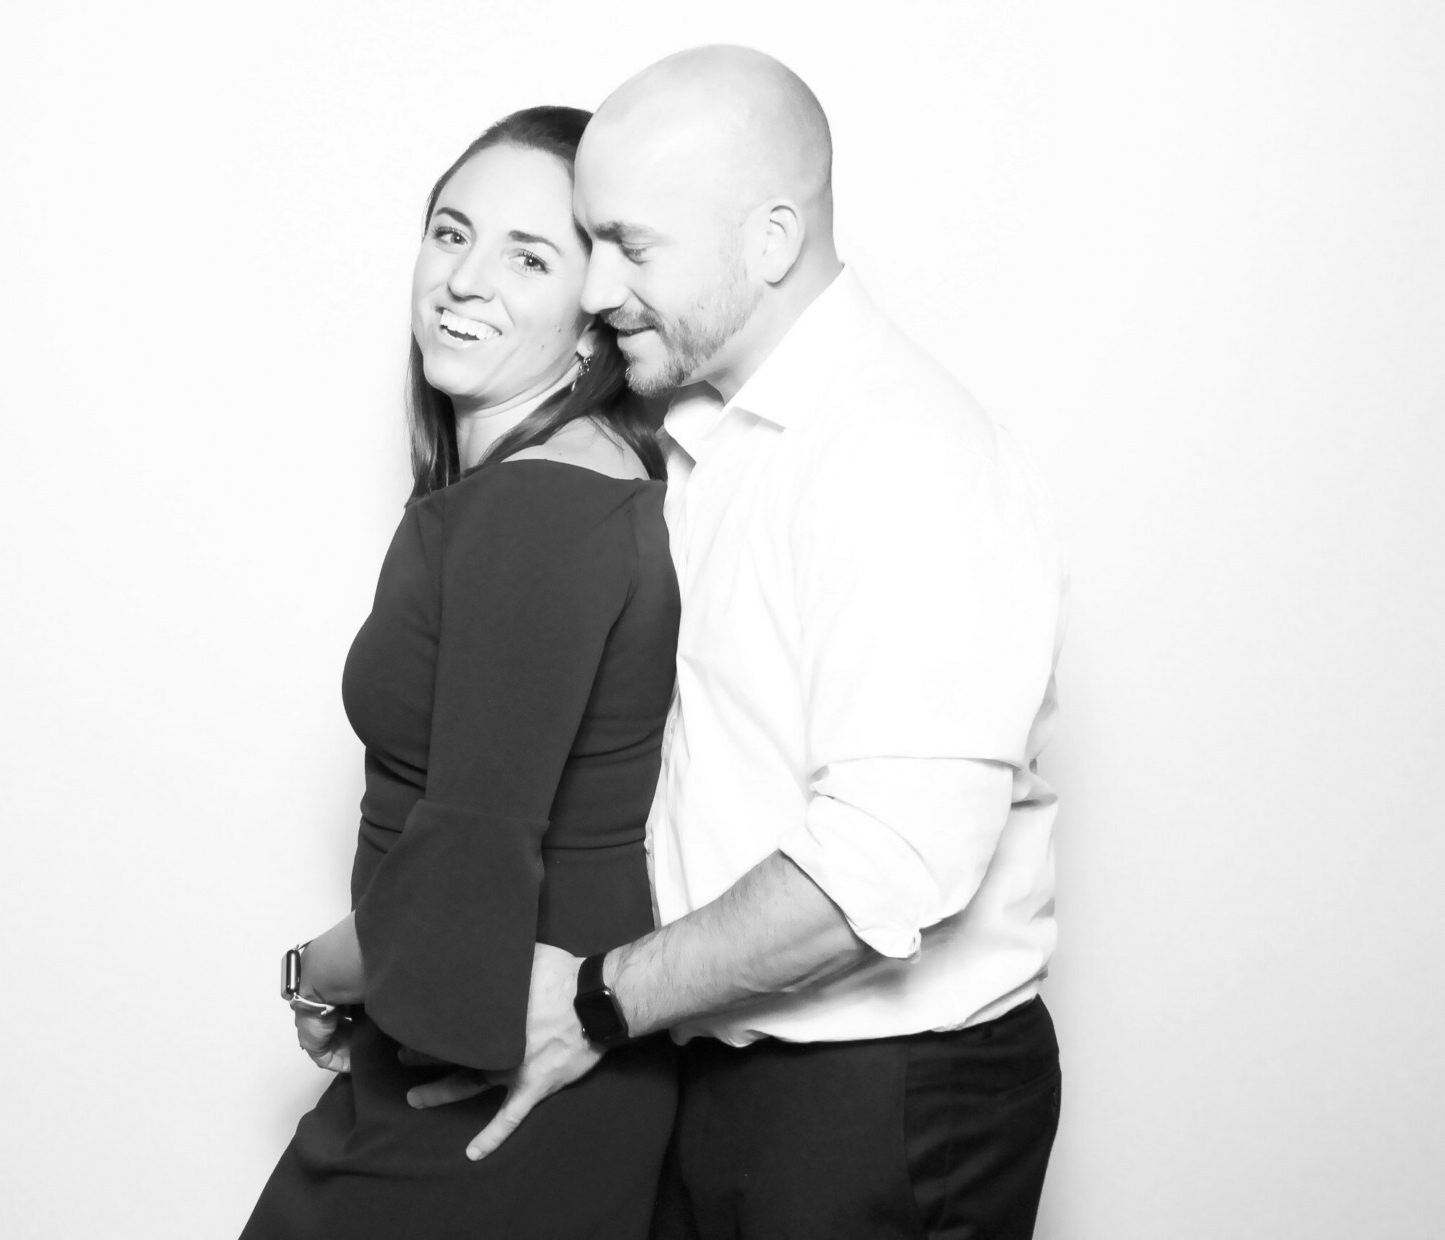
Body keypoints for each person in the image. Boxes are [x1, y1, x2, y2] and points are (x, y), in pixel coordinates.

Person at [408, 47, 1069, 1240]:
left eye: (630, 246)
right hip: (706, 1065)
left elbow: (877, 870)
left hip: (872, 1104)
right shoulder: (698, 439)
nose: (597, 288)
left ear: (769, 241)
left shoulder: (903, 458)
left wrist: (598, 999)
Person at [239, 105, 680, 1239]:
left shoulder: (538, 508)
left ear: (592, 317)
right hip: (459, 1051)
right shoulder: (540, 490)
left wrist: (315, 970)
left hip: (490, 1089)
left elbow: (460, 878)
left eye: (528, 257)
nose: (464, 279)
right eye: (450, 233)